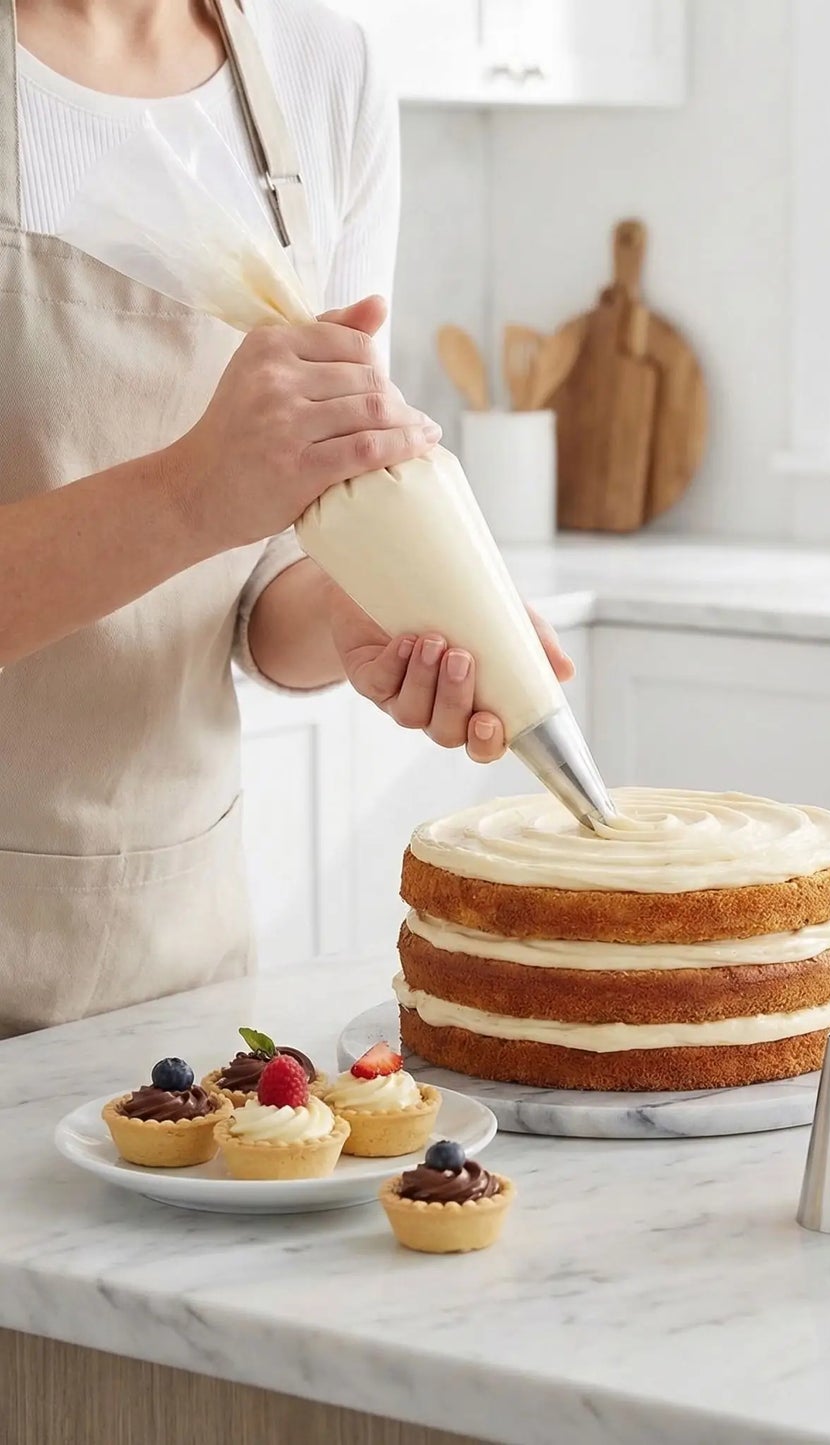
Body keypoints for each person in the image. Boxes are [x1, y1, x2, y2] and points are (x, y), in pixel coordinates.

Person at [0, 0, 570, 1036]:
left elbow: (273, 558)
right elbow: (213, 494)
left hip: (171, 944)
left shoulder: (324, 74)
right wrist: (188, 492)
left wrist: (362, 613)